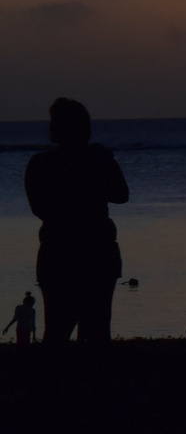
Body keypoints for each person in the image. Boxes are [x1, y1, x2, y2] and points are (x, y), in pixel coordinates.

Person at [24, 98, 128, 344]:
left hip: (59, 251)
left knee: (57, 330)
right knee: (96, 330)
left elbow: (40, 209)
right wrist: (103, 162)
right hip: (95, 251)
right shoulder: (97, 160)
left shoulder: (40, 164)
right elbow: (121, 195)